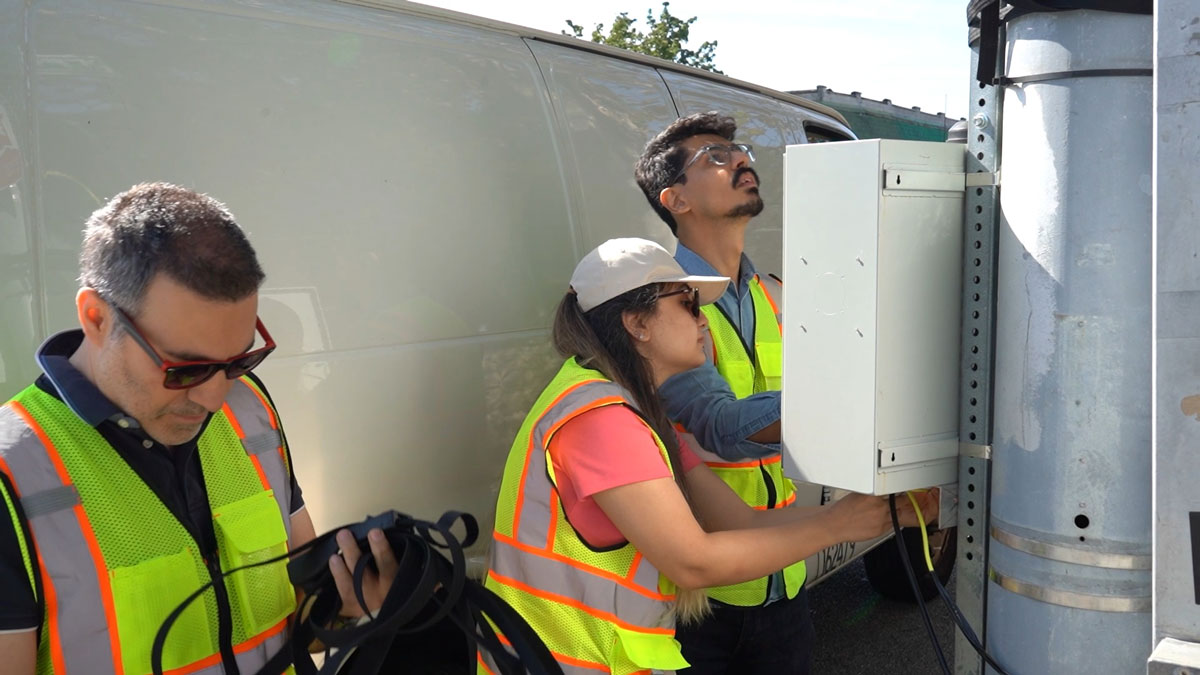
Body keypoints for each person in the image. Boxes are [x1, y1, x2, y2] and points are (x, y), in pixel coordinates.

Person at [479, 238, 935, 674]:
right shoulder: (601, 421)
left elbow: (743, 522)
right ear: (637, 323)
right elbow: (693, 562)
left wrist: (875, 515)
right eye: (688, 303)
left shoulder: (636, 413)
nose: (703, 318)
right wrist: (840, 525)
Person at [0, 183, 396, 675]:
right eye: (185, 369)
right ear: (96, 317)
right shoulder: (13, 476)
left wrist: (352, 603)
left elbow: (294, 619)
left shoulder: (248, 410)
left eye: (238, 360)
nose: (213, 398)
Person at [633, 111, 818, 672]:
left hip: (782, 576)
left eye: (739, 152)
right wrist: (844, 406)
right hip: (701, 598)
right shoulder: (664, 302)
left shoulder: (775, 292)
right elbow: (717, 426)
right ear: (676, 200)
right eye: (714, 156)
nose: (739, 159)